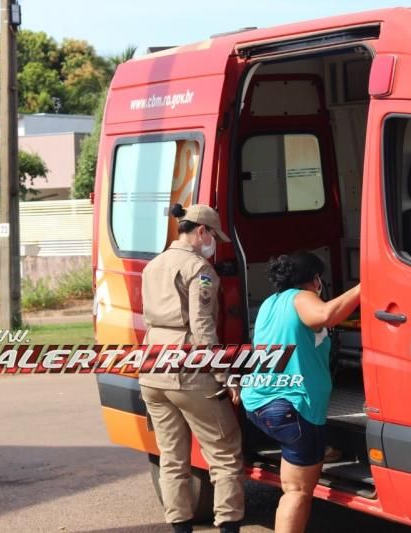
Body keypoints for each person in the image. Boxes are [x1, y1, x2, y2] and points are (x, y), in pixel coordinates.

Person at [140, 203, 244, 533]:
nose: (215, 243)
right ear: (201, 231)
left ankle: (180, 529)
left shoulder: (152, 265)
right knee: (225, 453)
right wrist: (223, 376)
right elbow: (202, 328)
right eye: (213, 235)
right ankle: (229, 526)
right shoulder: (200, 270)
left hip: (152, 366)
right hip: (188, 368)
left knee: (172, 459)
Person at [241, 251, 360, 533]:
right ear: (315, 279)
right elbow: (326, 315)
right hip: (292, 408)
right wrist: (364, 288)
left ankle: (319, 451)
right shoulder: (301, 297)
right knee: (296, 491)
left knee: (303, 449)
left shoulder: (270, 303)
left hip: (259, 403)